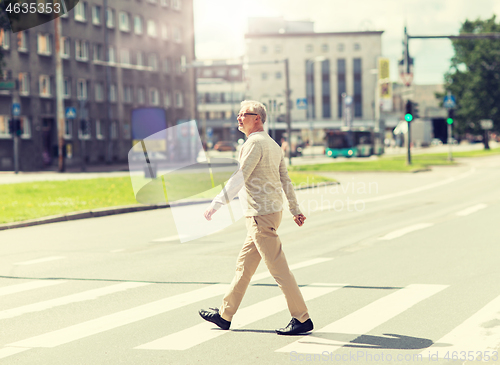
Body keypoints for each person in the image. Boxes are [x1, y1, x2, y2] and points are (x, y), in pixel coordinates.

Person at [199, 100, 312, 336]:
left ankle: (302, 318)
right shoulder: (272, 144)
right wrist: (295, 209)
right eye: (238, 114)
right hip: (269, 213)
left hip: (260, 215)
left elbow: (240, 176)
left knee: (279, 269)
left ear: (257, 118)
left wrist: (217, 203)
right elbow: (286, 180)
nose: (239, 118)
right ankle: (225, 315)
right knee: (244, 266)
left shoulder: (254, 143)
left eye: (244, 115)